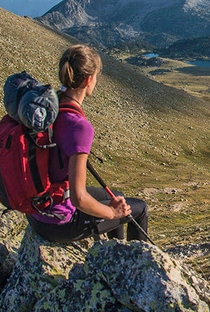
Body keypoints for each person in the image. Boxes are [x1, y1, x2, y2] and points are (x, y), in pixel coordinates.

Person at [28, 44, 149, 242]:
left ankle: (112, 251)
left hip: (37, 212)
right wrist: (112, 214)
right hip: (58, 224)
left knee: (116, 197)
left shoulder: (51, 107)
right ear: (88, 80)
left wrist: (112, 209)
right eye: (96, 77)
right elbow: (79, 198)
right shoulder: (79, 127)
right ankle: (136, 265)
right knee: (139, 208)